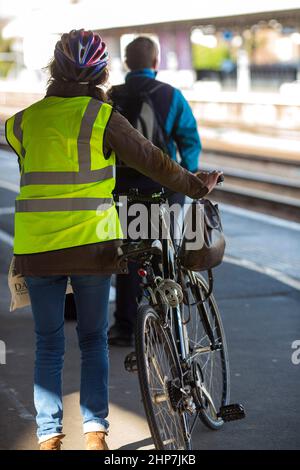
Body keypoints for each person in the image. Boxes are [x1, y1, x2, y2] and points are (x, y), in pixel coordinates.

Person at [5, 29, 221, 451]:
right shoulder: (101, 116)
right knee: (91, 340)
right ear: (102, 72)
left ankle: (49, 435)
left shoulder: (21, 122)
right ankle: (95, 432)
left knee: (48, 344)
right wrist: (196, 186)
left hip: (37, 248)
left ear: (54, 67)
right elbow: (155, 161)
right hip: (92, 245)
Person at [108, 36, 202, 346]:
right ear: (155, 63)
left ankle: (125, 325)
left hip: (123, 189)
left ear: (126, 63)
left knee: (129, 253)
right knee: (168, 250)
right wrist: (187, 176)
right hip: (165, 189)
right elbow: (188, 141)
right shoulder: (171, 96)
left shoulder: (111, 98)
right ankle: (171, 322)